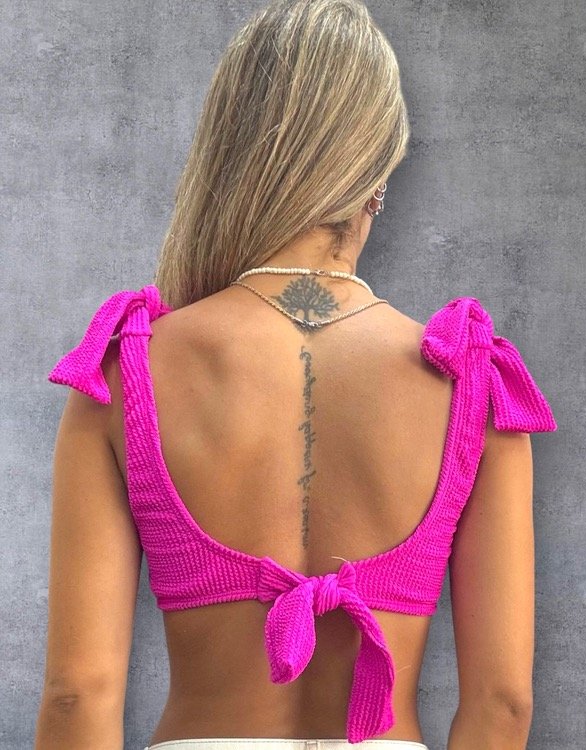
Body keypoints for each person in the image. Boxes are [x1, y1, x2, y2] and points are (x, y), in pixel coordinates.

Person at [35, 1, 557, 749]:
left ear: (229, 156)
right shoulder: (473, 382)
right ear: (377, 176)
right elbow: (503, 704)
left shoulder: (128, 368)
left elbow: (76, 695)